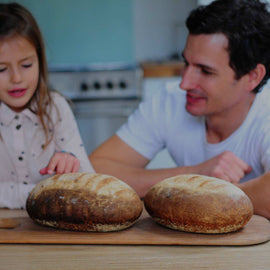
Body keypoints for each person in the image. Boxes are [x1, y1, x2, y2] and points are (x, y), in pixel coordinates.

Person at [89, 0, 270, 219]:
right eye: (186, 63)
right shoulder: (170, 101)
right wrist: (193, 175)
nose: (184, 83)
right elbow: (96, 169)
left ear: (252, 77)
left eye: (205, 71)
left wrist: (204, 192)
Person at [0, 3, 95, 209]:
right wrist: (42, 192)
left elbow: (89, 186)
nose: (17, 78)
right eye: (1, 69)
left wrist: (71, 165)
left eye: (26, 65)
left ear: (40, 61)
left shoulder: (56, 109)